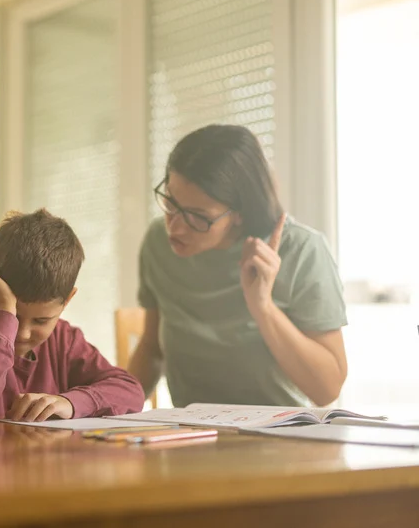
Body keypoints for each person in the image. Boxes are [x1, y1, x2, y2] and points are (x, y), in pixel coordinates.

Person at [129, 124, 348, 408]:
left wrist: (263, 307)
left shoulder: (302, 250)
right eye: (170, 201)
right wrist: (108, 408)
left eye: (197, 216)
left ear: (239, 214)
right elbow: (151, 349)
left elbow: (326, 389)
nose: (175, 226)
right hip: (191, 433)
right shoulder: (158, 242)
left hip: (279, 437)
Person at [0, 209, 145, 422]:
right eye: (14, 316)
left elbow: (130, 390)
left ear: (68, 299)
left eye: (41, 320)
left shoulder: (64, 340)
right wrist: (1, 312)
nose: (23, 333)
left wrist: (71, 403)